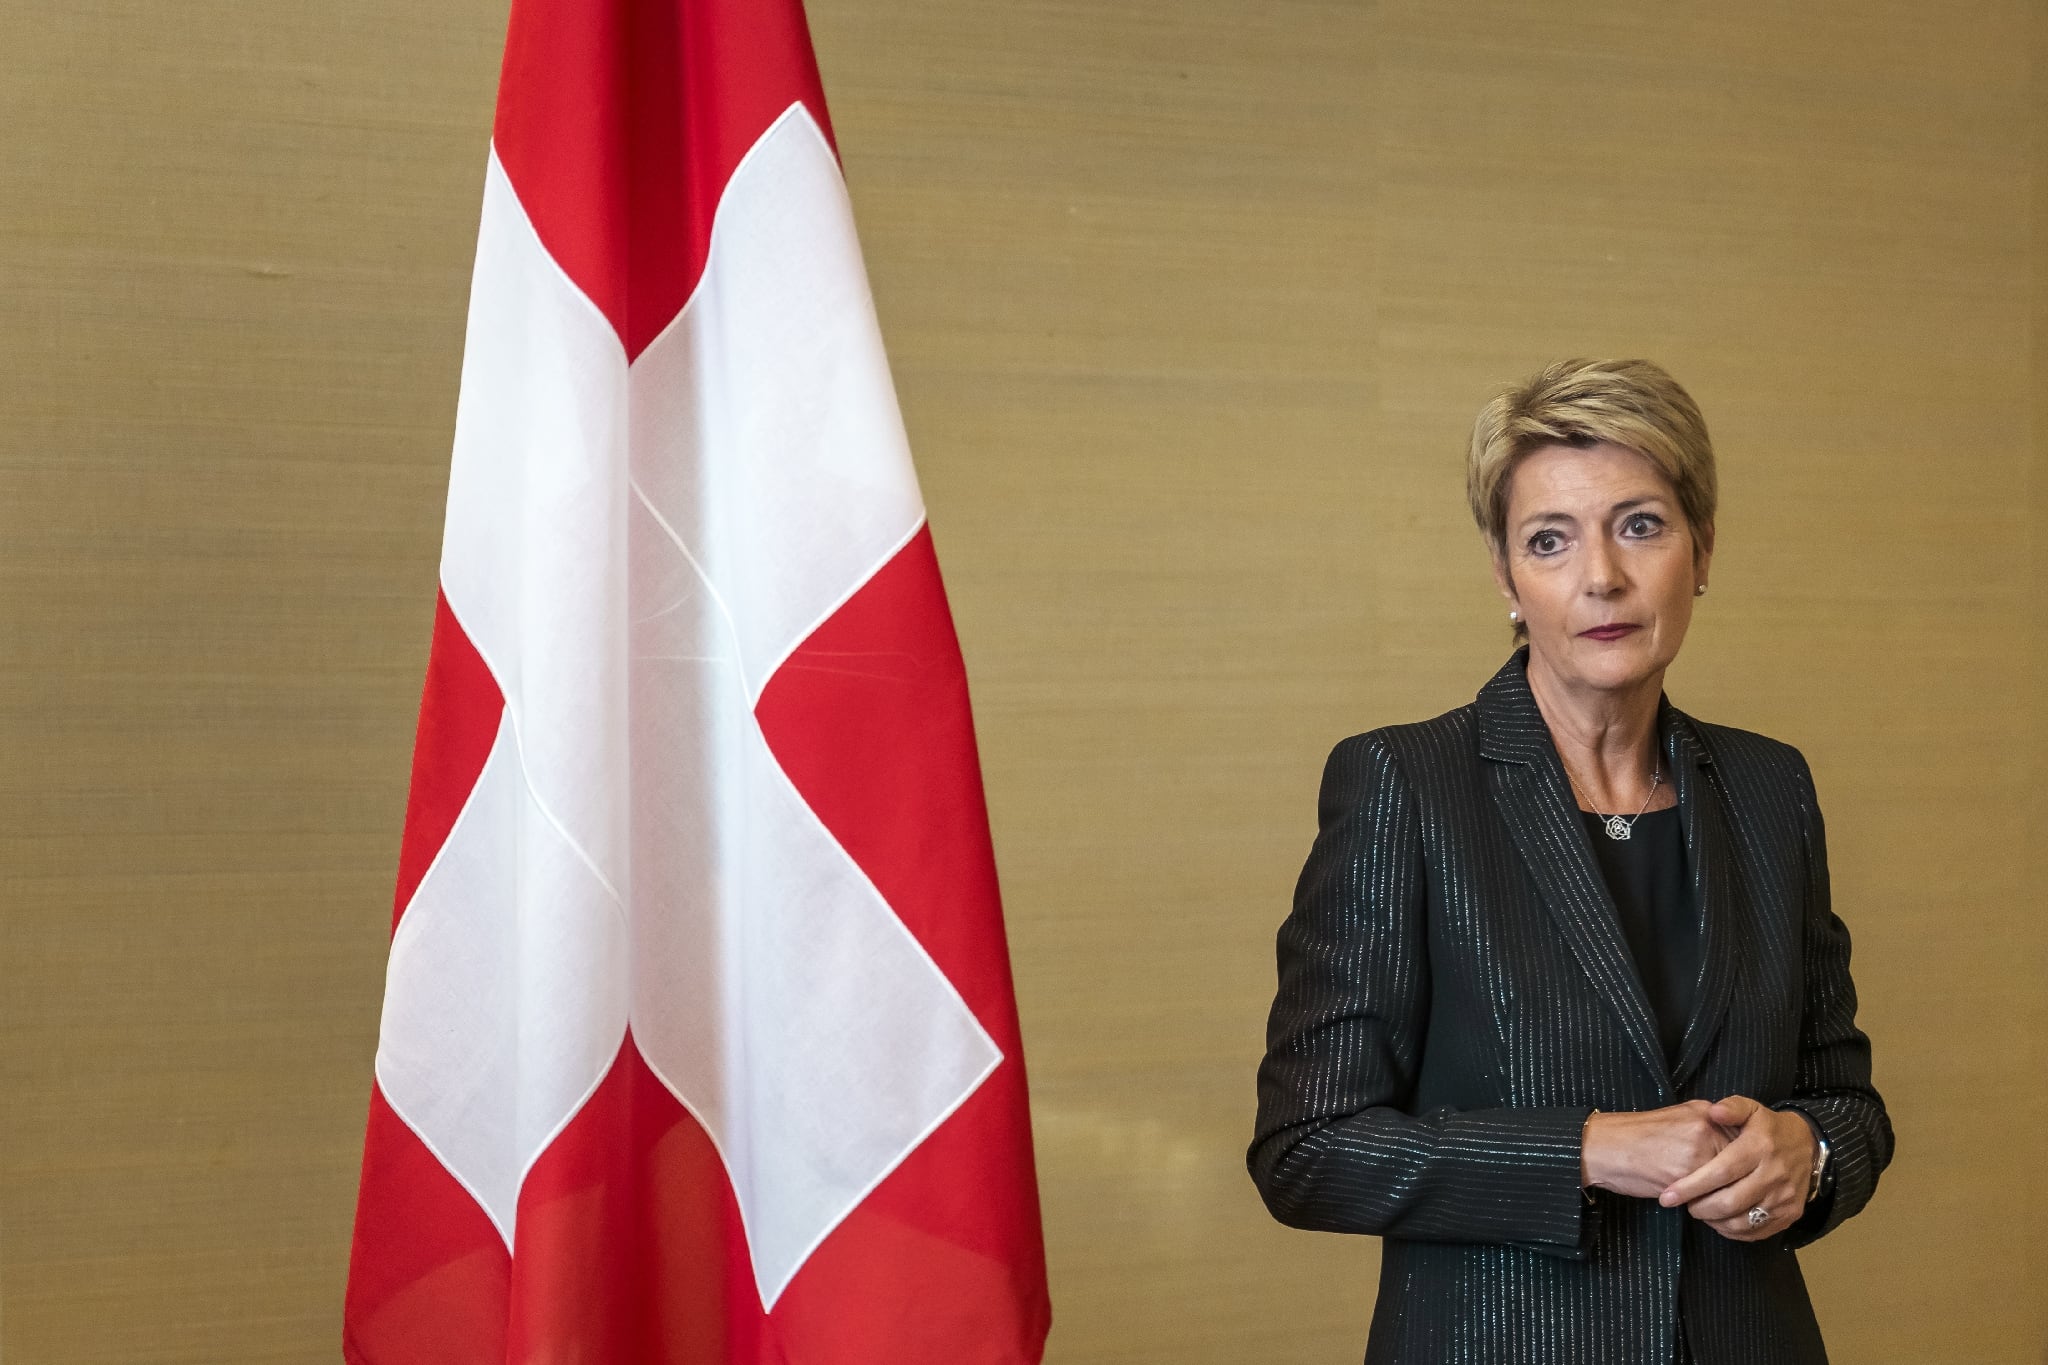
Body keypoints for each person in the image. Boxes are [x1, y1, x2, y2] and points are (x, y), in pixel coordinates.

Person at [1248, 358, 1892, 1365]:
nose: (1601, 576)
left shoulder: (1770, 788)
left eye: (1639, 525)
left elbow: (1845, 1099)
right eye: (1549, 539)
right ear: (1506, 578)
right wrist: (1587, 1148)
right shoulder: (1405, 785)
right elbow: (1308, 1148)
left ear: (1702, 547)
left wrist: (1807, 1152)